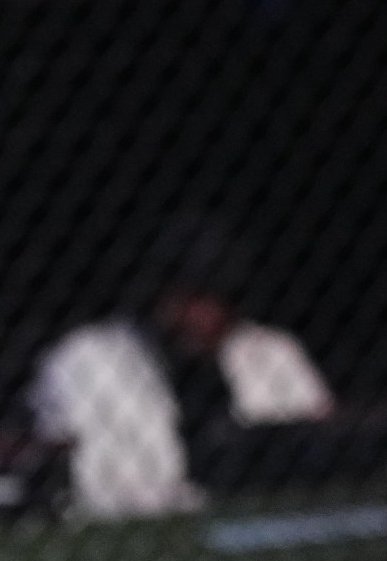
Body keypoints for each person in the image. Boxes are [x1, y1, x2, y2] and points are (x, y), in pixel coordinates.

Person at [31, 214, 335, 519]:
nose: (201, 314)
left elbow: (323, 441)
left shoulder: (272, 351)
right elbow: (65, 470)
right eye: (187, 296)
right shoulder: (84, 358)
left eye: (214, 297)